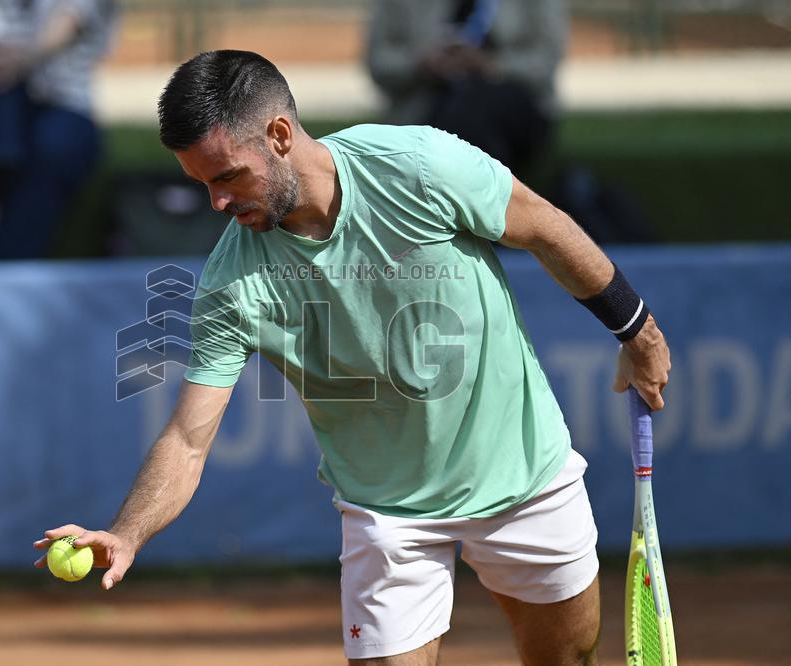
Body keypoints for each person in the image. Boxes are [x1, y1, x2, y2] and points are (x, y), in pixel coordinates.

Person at [33, 51, 671, 665]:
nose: (216, 204)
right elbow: (187, 440)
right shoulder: (231, 281)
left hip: (524, 477)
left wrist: (636, 331)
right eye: (201, 184)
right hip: (387, 513)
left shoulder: (417, 166)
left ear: (280, 134)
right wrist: (127, 532)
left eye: (226, 176)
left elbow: (547, 226)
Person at [0, 0, 117, 259]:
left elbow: (65, 25)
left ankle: (4, 257)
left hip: (64, 105)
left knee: (54, 147)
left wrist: (18, 59)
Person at [367, 0, 566, 177]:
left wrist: (491, 65)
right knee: (461, 117)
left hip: (510, 102)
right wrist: (421, 64)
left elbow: (545, 61)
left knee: (474, 110)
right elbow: (379, 62)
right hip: (428, 101)